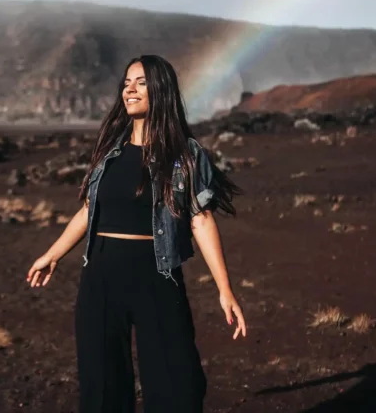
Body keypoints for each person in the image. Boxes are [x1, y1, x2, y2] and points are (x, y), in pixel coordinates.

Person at [26, 54, 247, 412]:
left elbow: (200, 219)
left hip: (158, 279)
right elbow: (88, 212)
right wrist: (52, 254)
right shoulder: (109, 152)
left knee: (177, 388)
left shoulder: (185, 155)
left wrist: (225, 289)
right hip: (99, 278)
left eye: (141, 82)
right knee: (102, 392)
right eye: (127, 82)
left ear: (161, 90)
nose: (130, 89)